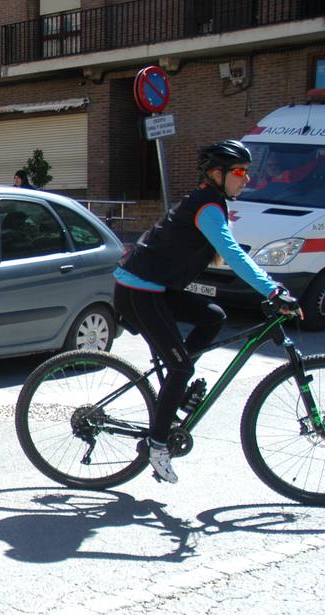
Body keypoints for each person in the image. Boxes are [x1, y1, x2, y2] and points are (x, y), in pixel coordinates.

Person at [114, 140, 300, 484]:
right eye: (240, 172)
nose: (246, 179)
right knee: (181, 365)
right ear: (218, 174)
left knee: (214, 316)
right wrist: (273, 289)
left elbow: (220, 251)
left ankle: (176, 386)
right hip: (139, 290)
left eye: (247, 172)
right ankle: (157, 445)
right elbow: (232, 254)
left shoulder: (210, 203)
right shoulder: (208, 207)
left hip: (153, 287)